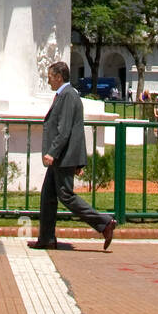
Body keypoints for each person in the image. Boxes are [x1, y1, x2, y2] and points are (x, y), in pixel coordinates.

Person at [28, 62, 116, 252]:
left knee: (66, 196)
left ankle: (105, 223)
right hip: (65, 156)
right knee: (48, 197)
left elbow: (65, 130)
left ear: (59, 77)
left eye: (50, 76)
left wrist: (52, 152)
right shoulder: (67, 94)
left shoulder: (68, 95)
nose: (48, 79)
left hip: (63, 156)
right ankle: (47, 238)